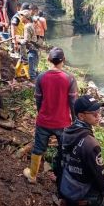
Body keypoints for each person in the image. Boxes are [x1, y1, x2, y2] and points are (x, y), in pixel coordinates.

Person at [24, 47, 77, 184]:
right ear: (64, 60)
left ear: (48, 60)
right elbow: (73, 102)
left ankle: (32, 175)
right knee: (64, 150)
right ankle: (63, 178)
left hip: (44, 121)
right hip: (63, 122)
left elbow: (38, 99)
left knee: (38, 148)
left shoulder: (41, 77)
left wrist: (42, 112)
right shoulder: (70, 79)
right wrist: (75, 121)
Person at [21, 10, 43, 80]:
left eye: (21, 16)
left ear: (25, 18)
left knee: (32, 73)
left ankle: (35, 86)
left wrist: (19, 40)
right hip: (34, 49)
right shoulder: (30, 24)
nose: (20, 18)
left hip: (32, 50)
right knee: (34, 69)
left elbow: (27, 40)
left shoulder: (27, 26)